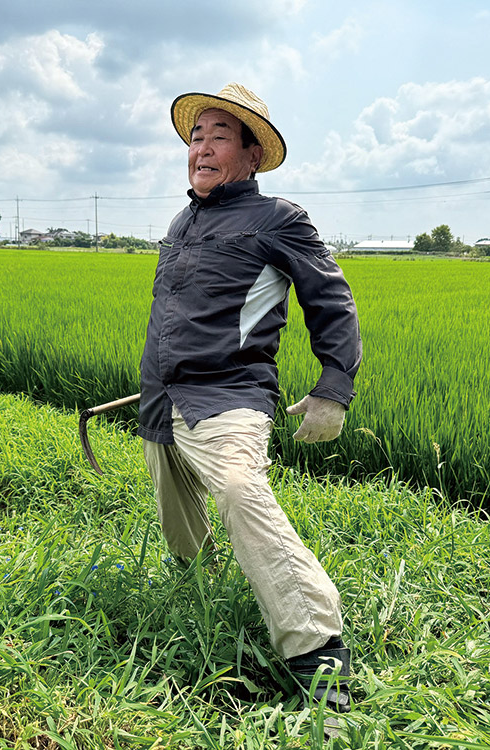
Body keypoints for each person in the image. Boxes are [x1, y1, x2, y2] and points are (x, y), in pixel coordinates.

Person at [138, 83, 362, 713]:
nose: (200, 148)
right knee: (177, 516)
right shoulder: (183, 221)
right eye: (195, 137)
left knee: (240, 489)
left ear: (253, 153)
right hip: (161, 397)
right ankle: (198, 589)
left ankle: (317, 648)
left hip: (229, 394)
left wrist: (332, 390)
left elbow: (332, 301)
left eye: (217, 136)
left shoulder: (278, 220)